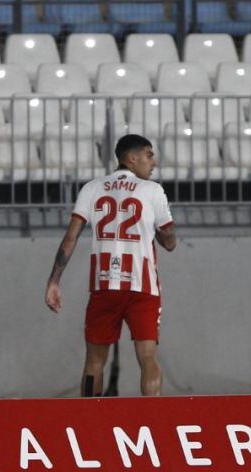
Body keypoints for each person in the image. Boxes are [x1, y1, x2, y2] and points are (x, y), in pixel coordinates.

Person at [45, 134, 177, 397]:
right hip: (143, 286)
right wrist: (163, 235)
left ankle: (88, 422)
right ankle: (154, 420)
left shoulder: (92, 188)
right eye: (149, 155)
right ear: (132, 158)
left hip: (104, 284)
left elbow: (70, 237)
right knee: (148, 355)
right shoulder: (152, 190)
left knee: (94, 360)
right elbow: (170, 240)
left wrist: (54, 281)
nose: (153, 162)